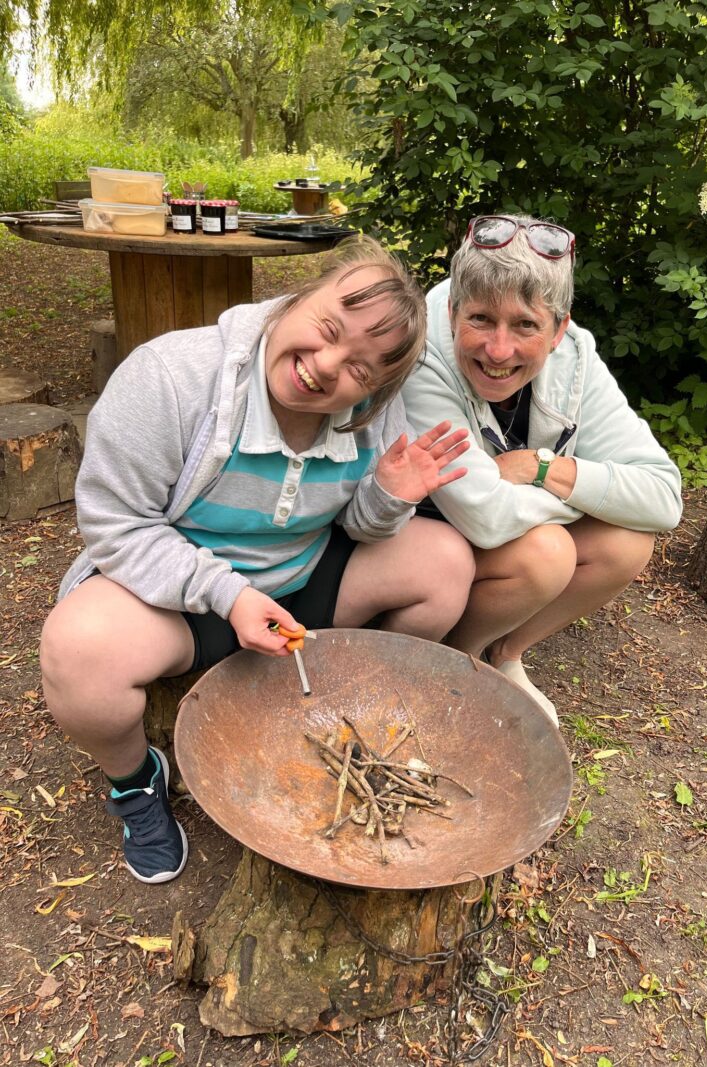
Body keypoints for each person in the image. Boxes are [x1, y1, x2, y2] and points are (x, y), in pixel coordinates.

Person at [40, 236, 475, 885]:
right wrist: (228, 596)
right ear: (296, 297)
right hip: (182, 597)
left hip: (301, 584)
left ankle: (340, 713)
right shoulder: (171, 378)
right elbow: (115, 522)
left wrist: (387, 495)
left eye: (359, 369)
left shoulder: (371, 415)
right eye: (327, 329)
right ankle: (137, 782)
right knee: (76, 654)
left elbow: (355, 526)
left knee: (444, 563)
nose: (327, 366)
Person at [402, 214, 683, 723]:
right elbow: (483, 515)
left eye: (526, 325)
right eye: (481, 319)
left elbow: (664, 497)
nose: (499, 350)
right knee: (548, 553)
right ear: (451, 312)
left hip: (507, 519)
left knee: (627, 542)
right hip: (423, 536)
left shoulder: (576, 357)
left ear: (558, 329)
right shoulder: (422, 356)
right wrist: (584, 494)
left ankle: (504, 652)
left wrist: (544, 469)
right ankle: (452, 658)